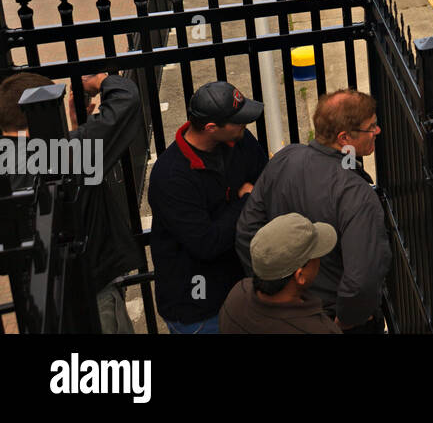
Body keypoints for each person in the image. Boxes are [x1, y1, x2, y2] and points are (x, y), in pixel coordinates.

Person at [1, 71, 145, 333]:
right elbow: (128, 100)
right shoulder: (69, 152)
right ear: (44, 111)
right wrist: (100, 80)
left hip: (38, 303)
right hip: (92, 294)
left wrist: (76, 130)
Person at [237, 89, 391, 332]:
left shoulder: (284, 158)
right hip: (334, 318)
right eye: (370, 127)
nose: (377, 131)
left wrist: (274, 291)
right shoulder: (356, 194)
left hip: (285, 308)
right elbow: (362, 280)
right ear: (344, 138)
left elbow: (247, 233)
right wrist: (344, 322)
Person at [148, 80, 267, 334]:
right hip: (199, 311)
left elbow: (265, 186)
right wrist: (245, 200)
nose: (245, 125)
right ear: (212, 128)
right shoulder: (171, 177)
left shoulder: (240, 139)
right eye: (238, 120)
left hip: (240, 288)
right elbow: (206, 243)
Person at [219, 213, 341, 334]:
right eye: (316, 256)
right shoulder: (320, 329)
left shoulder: (238, 294)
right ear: (300, 275)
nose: (319, 260)